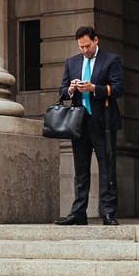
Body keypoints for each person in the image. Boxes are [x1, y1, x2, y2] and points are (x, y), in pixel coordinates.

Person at [54, 26, 123, 226]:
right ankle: (78, 213)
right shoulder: (72, 62)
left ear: (96, 40)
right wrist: (71, 88)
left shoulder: (111, 60)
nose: (84, 50)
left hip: (103, 122)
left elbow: (118, 88)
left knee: (107, 168)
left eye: (87, 45)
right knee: (81, 170)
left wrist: (94, 88)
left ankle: (108, 213)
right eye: (81, 47)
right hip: (79, 122)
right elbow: (63, 90)